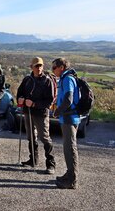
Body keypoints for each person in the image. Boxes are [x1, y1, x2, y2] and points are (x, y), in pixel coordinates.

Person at [17, 57, 56, 174]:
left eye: (40, 66)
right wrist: (20, 99)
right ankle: (33, 160)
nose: (39, 68)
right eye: (36, 66)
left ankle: (51, 164)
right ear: (31, 67)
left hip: (41, 114)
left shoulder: (47, 81)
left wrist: (34, 104)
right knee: (31, 137)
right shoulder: (27, 79)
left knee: (44, 138)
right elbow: (19, 93)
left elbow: (50, 101)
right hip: (28, 112)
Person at [52, 58, 80, 189]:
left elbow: (68, 99)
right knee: (67, 149)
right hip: (67, 118)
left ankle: (72, 181)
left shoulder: (68, 79)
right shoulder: (65, 78)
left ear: (61, 67)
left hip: (69, 118)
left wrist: (58, 111)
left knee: (70, 149)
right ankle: (69, 174)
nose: (53, 70)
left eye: (54, 67)